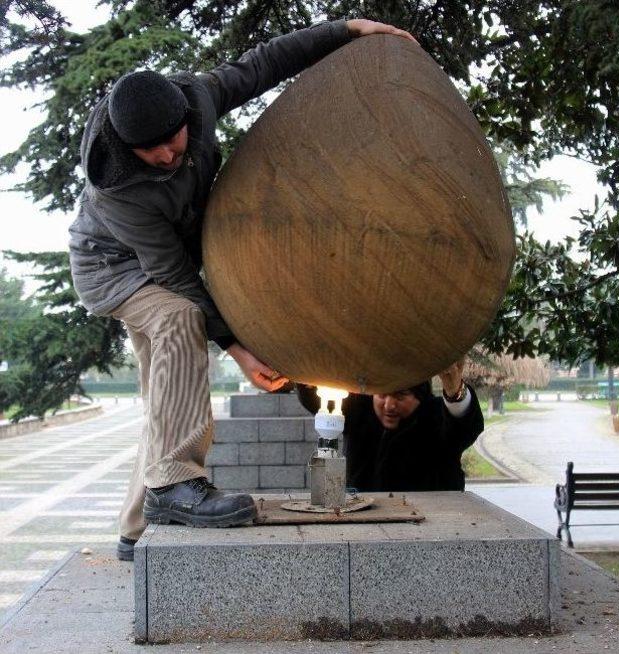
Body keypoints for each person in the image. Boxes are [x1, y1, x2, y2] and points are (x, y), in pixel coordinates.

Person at [68, 18, 417, 561]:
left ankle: (134, 531)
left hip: (166, 262)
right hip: (112, 268)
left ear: (185, 116)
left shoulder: (199, 97)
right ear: (124, 145)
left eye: (173, 140)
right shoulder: (115, 191)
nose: (167, 155)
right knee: (180, 315)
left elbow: (265, 62)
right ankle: (174, 485)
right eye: (151, 151)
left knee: (167, 406)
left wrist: (346, 30)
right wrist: (236, 346)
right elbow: (175, 276)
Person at [297, 360, 484, 492]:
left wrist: (454, 392)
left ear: (420, 395)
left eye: (400, 395)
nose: (389, 405)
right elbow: (315, 397)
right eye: (382, 395)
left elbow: (464, 427)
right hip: (365, 524)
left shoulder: (436, 416)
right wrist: (305, 373)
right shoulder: (360, 411)